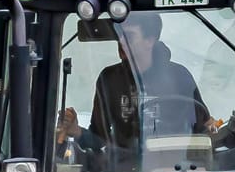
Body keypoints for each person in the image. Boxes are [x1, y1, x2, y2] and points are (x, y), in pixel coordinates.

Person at [56, 12, 213, 156]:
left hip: (176, 169)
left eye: (129, 36)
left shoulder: (179, 77)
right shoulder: (109, 79)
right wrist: (75, 130)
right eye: (119, 35)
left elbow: (204, 130)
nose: (121, 41)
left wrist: (213, 128)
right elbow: (99, 140)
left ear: (150, 40)